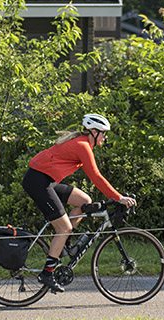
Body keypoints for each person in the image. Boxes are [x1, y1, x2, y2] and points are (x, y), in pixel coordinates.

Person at [22, 113, 137, 293]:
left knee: (84, 201)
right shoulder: (82, 146)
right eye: (103, 133)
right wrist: (118, 197)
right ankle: (47, 273)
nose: (105, 137)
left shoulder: (83, 144)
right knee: (64, 228)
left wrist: (116, 196)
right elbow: (96, 177)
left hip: (47, 180)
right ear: (93, 132)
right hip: (37, 181)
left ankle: (64, 245)